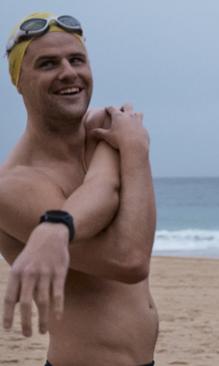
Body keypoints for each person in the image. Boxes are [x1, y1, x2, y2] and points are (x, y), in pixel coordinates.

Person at [0, 12, 158, 365]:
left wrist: (58, 225)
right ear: (18, 81)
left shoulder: (102, 131)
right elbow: (129, 259)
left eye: (77, 60)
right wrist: (134, 151)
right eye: (47, 64)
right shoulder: (14, 185)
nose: (68, 73)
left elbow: (104, 188)